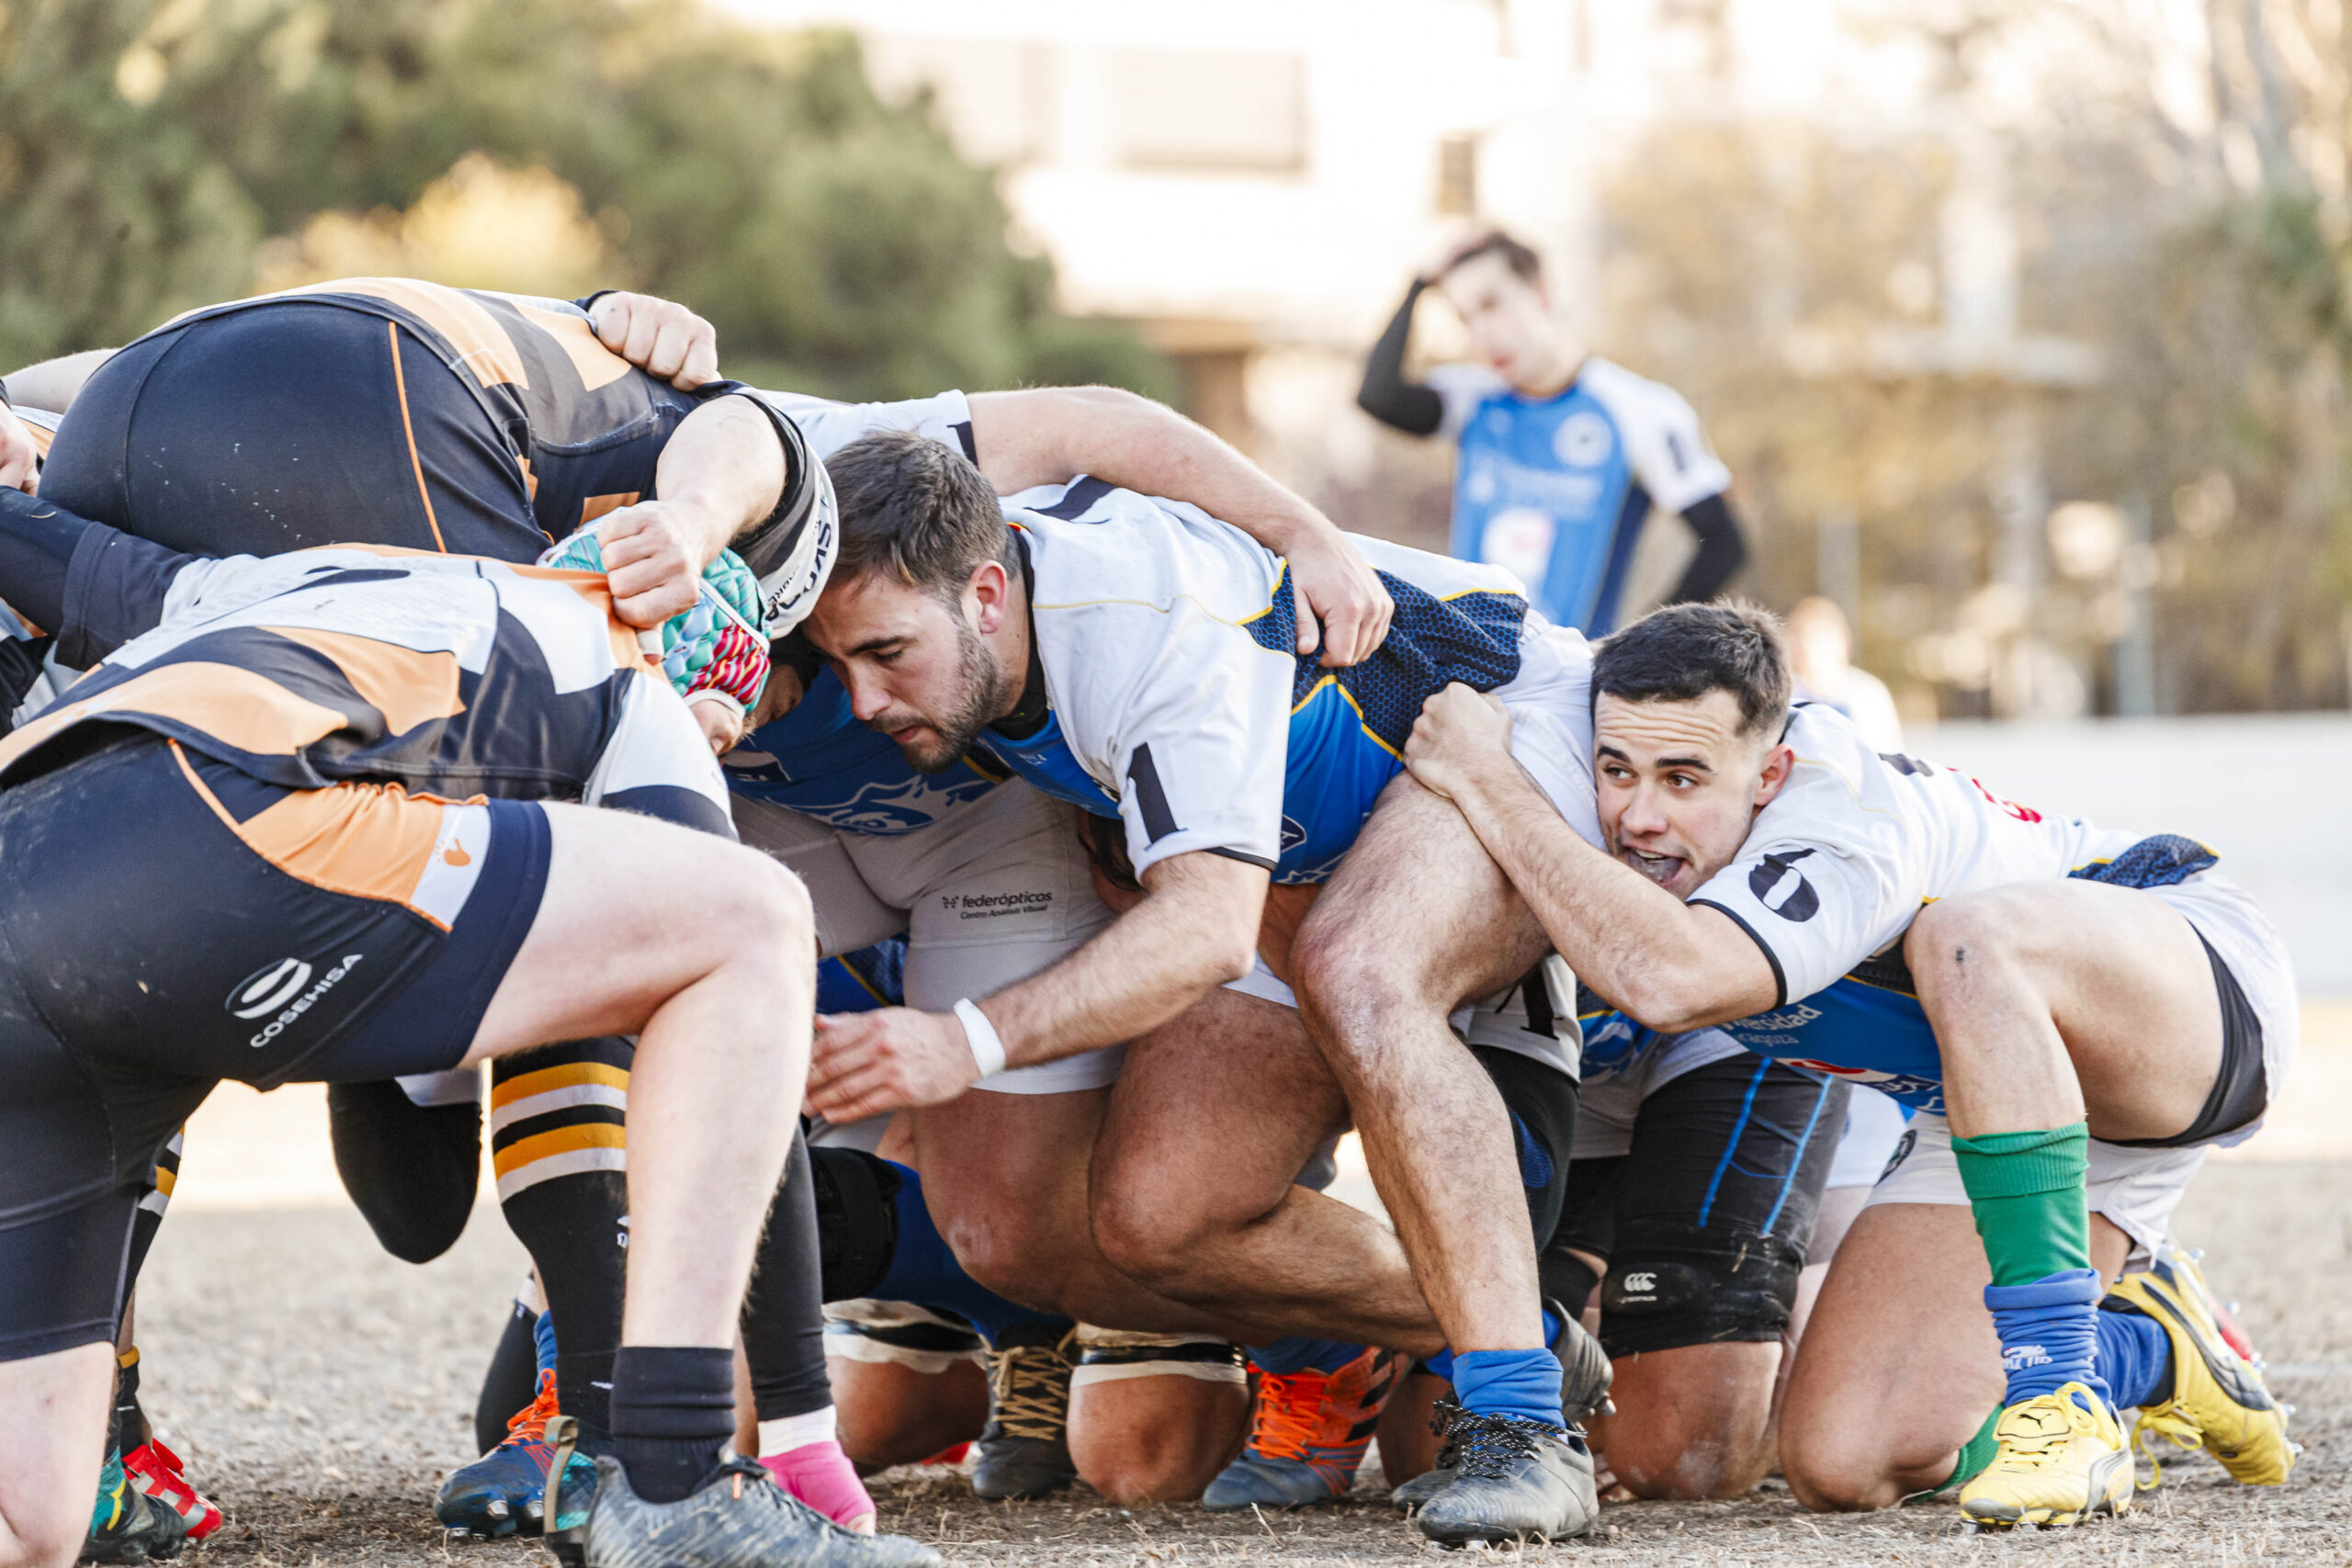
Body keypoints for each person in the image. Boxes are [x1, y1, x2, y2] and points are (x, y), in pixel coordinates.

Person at [0, 489, 937, 1568]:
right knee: (756, 915)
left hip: (35, 845)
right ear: (699, 673)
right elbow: (728, 1001)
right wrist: (800, 1423)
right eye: (730, 725)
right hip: (219, 831)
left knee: (33, 1516)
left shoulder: (282, 579)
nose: (722, 752)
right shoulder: (626, 664)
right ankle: (675, 1480)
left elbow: (53, 554)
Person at [798, 431, 1612, 1545]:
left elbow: (1206, 930)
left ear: (988, 594)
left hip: (1491, 723)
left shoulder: (1141, 628)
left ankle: (1524, 1427)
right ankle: (1519, 1330)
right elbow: (1098, 423)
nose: (862, 700)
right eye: (837, 662)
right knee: (1153, 1221)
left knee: (1355, 964)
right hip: (1292, 855)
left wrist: (968, 1042)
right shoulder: (971, 558)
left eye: (886, 652)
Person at [1398, 599, 2298, 1529]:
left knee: (1963, 937)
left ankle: (2058, 1396)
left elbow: (1669, 982)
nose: (1637, 816)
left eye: (1682, 778)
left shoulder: (1836, 816)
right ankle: (2149, 1343)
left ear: (1769, 774)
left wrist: (1485, 781)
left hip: (2183, 985)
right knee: (1841, 1460)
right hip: (2000, 1098)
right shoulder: (1649, 831)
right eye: (1615, 771)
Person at [1357, 230, 1746, 634]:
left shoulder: (1639, 409)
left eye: (1491, 305)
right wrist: (1418, 284)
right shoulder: (1473, 400)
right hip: (1464, 666)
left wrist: (1641, 644)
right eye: (1465, 318)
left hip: (1568, 682)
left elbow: (1723, 546)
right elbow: (1377, 395)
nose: (1481, 334)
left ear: (1539, 292)